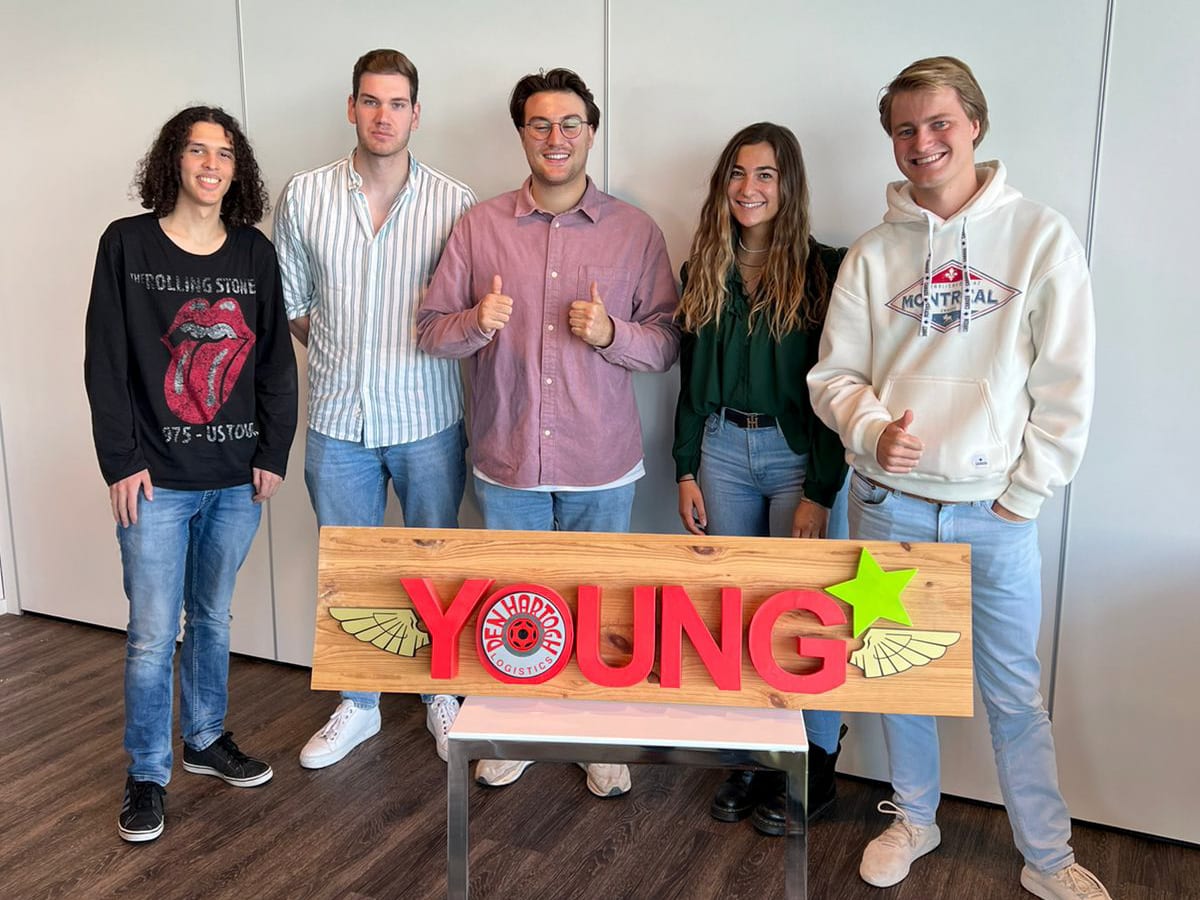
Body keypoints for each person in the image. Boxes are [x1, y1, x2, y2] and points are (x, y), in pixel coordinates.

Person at [808, 57, 1109, 899]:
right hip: (886, 504)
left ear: (974, 123)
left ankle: (1047, 857)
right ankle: (914, 817)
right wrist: (869, 428)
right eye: (905, 128)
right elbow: (834, 376)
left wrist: (1026, 492)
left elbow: (1069, 383)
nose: (922, 142)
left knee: (1014, 696)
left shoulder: (1041, 237)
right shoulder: (873, 253)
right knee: (897, 672)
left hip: (996, 514)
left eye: (938, 123)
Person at [417, 67, 680, 798]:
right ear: (522, 135)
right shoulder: (481, 226)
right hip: (509, 456)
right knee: (516, 606)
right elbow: (432, 332)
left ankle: (597, 735)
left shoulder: (634, 231)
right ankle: (521, 728)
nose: (555, 138)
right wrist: (477, 323)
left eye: (570, 124)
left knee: (598, 605)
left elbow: (667, 343)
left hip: (601, 459)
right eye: (540, 124)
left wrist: (611, 333)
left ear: (591, 132)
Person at [84, 106, 298, 843]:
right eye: (198, 150)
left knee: (211, 616)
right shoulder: (127, 244)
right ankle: (146, 773)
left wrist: (273, 451)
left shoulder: (252, 253)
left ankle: (204, 740)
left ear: (237, 171)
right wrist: (121, 460)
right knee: (150, 634)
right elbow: (106, 361)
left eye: (226, 154)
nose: (212, 164)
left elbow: (274, 361)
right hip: (156, 481)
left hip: (236, 477)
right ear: (173, 159)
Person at [274, 49, 475, 768]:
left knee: (433, 566)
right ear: (351, 107)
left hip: (427, 420)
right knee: (350, 571)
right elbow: (293, 306)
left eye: (397, 103)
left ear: (416, 114)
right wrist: (342, 355)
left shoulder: (456, 202)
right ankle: (358, 705)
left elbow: (460, 315)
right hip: (337, 423)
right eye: (370, 101)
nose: (383, 115)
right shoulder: (303, 195)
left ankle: (440, 695)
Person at [674, 122, 848, 835]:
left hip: (793, 455)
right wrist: (685, 465)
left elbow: (844, 387)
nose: (749, 188)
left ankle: (815, 765)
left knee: (807, 616)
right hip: (721, 448)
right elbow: (687, 381)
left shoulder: (825, 270)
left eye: (766, 175)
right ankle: (750, 756)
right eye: (738, 174)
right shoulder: (703, 267)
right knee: (737, 611)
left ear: (789, 185)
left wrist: (820, 488)